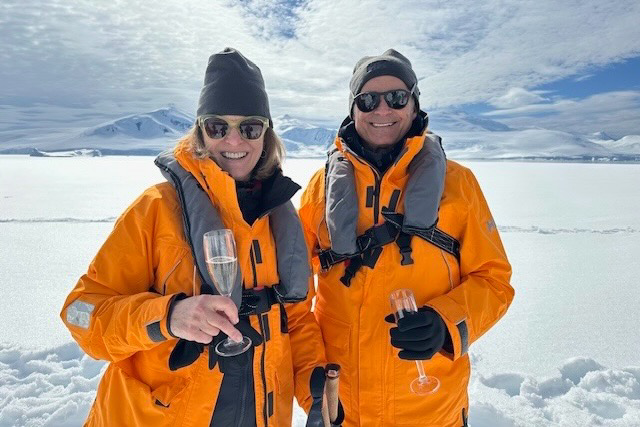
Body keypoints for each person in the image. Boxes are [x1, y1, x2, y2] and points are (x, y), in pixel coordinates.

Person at [61, 47, 329, 427]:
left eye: (249, 127)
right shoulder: (156, 209)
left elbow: (295, 319)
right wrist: (167, 316)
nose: (234, 141)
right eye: (218, 127)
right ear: (201, 131)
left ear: (266, 134)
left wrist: (313, 388)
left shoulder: (279, 218)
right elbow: (81, 313)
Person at [298, 49, 515, 426]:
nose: (382, 110)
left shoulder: (458, 185)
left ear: (414, 105)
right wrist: (311, 385)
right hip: (343, 408)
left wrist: (446, 323)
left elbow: (494, 281)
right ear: (353, 110)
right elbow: (295, 299)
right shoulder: (320, 190)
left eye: (397, 97)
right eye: (367, 100)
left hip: (430, 408)